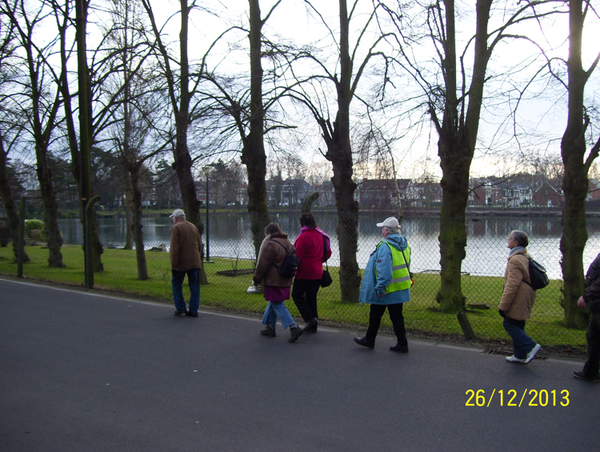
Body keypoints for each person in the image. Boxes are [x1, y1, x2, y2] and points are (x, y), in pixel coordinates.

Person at [354, 217, 411, 352]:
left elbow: (384, 271)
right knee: (397, 316)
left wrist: (380, 287)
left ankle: (369, 340)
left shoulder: (385, 246)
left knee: (375, 314)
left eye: (383, 229)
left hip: (387, 288)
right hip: (400, 287)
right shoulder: (405, 244)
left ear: (387, 231)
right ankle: (402, 343)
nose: (381, 231)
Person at [253, 223, 305, 343]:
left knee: (277, 303)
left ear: (268, 233)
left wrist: (256, 278)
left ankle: (293, 327)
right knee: (274, 301)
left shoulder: (270, 244)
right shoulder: (289, 244)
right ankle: (270, 327)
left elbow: (263, 265)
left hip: (273, 279)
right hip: (285, 278)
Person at [498, 230, 541, 363]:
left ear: (516, 243)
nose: (508, 241)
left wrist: (503, 306)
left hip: (519, 296)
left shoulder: (515, 259)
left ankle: (530, 346)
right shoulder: (524, 256)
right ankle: (520, 355)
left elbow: (512, 285)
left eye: (510, 239)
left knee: (509, 323)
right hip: (526, 294)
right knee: (518, 322)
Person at [292, 212, 332, 333]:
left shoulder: (303, 237)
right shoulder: (320, 235)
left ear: (302, 224)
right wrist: (319, 260)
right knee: (311, 297)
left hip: (305, 272)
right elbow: (328, 252)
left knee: (297, 295)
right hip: (317, 271)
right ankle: (313, 325)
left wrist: (293, 269)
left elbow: (296, 255)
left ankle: (310, 319)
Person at [169, 209, 203, 317]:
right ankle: (193, 309)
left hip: (181, 262)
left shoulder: (176, 228)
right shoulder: (193, 227)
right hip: (194, 261)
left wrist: (174, 265)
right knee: (194, 286)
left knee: (176, 284)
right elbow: (200, 245)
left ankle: (181, 307)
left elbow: (174, 249)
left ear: (175, 218)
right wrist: (198, 256)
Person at [573, 253, 600, 382]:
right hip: (597, 305)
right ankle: (591, 372)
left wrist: (586, 296)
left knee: (594, 338)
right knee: (593, 338)